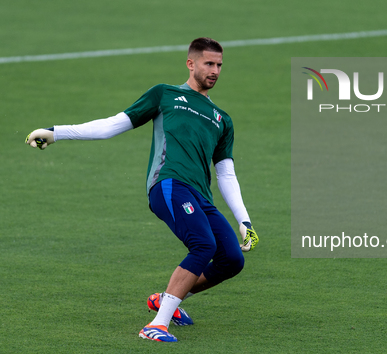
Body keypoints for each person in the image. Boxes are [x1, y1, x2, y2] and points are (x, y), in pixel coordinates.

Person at [25, 37, 259, 343]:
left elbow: (225, 172)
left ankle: (168, 301)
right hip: (169, 184)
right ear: (191, 64)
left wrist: (244, 220)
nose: (215, 70)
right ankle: (156, 326)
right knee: (203, 246)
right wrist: (57, 133)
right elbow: (111, 126)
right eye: (209, 64)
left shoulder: (222, 119)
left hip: (201, 195)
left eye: (219, 65)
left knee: (231, 259)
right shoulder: (166, 95)